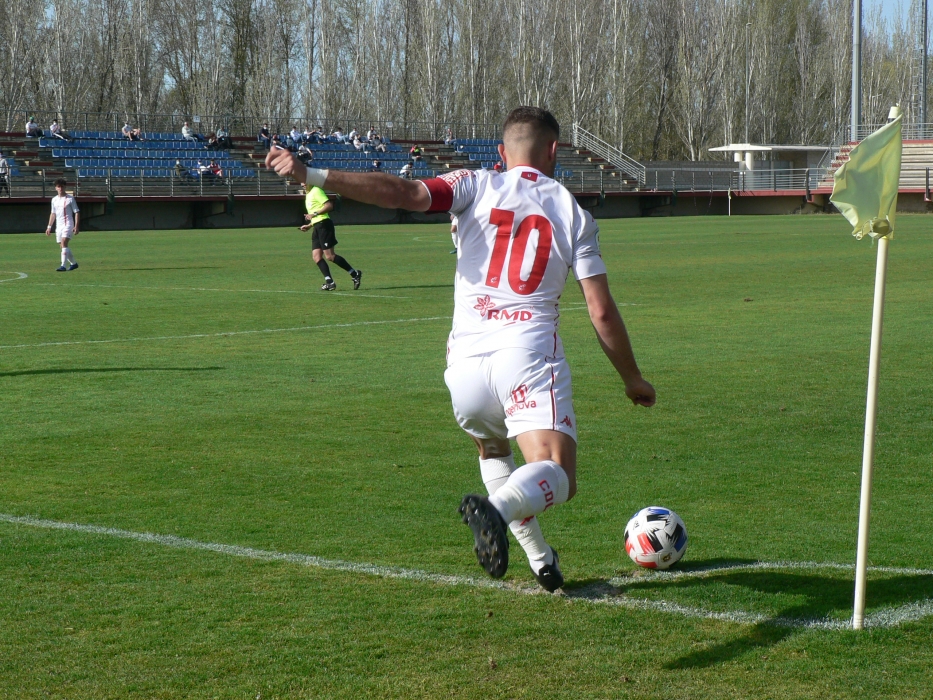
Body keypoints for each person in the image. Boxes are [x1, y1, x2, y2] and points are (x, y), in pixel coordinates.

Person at [264, 106, 656, 591]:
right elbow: (600, 310)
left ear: (501, 152)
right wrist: (632, 378)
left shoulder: (475, 183)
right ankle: (496, 509)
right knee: (556, 474)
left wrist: (313, 173)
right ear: (554, 151)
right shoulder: (574, 213)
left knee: (493, 450)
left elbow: (405, 193)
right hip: (527, 356)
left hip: (464, 365)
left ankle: (540, 559)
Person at [298, 184, 362, 292]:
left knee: (330, 256)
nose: (303, 184)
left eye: (305, 181)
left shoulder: (316, 190)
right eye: (301, 182)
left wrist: (314, 214)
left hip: (324, 226)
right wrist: (309, 225)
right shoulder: (308, 194)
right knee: (316, 257)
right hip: (317, 227)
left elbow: (329, 206)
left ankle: (355, 274)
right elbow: (316, 216)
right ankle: (330, 282)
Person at [45, 179, 80, 271]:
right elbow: (53, 213)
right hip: (59, 225)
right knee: (62, 245)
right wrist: (49, 226)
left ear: (65, 187)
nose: (60, 188)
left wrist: (76, 226)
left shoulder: (70, 199)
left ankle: (63, 266)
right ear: (56, 188)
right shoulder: (54, 200)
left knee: (64, 242)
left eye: (62, 186)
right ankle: (74, 263)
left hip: (68, 224)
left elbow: (76, 212)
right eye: (59, 186)